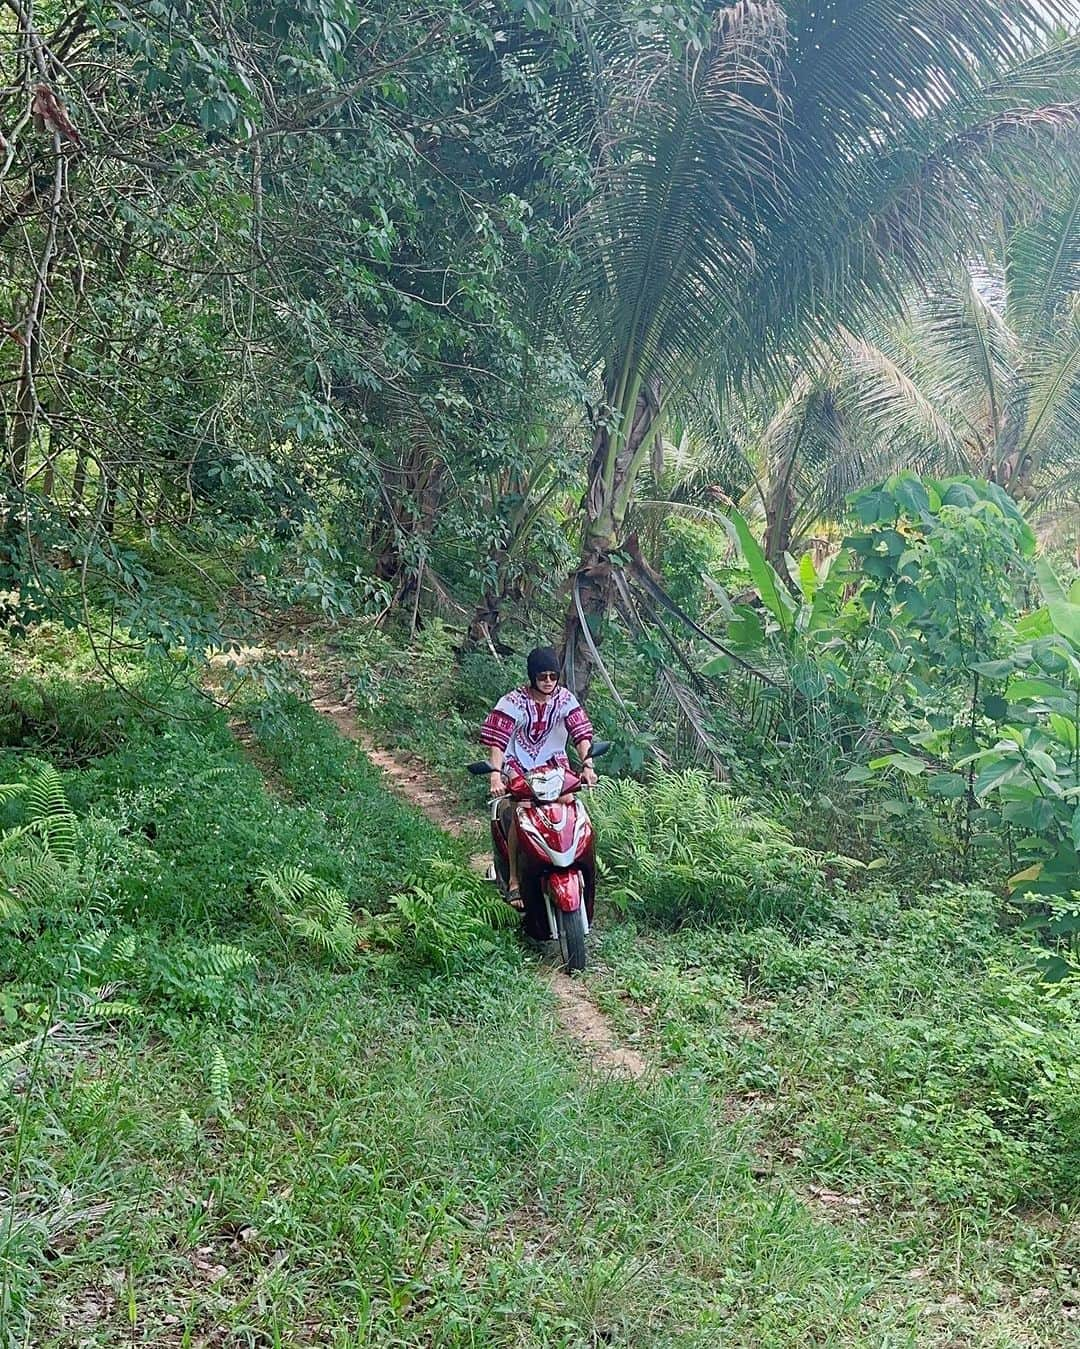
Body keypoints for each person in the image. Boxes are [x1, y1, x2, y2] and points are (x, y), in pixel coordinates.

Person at [480, 645, 597, 909]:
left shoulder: (565, 700)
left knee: (569, 802)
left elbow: (581, 734)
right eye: (542, 676)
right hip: (518, 764)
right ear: (532, 676)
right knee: (521, 810)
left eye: (552, 677)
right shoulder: (512, 702)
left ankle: (576, 864)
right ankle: (513, 881)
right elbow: (497, 742)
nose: (547, 682)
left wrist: (587, 765)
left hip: (554, 764)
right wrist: (496, 777)